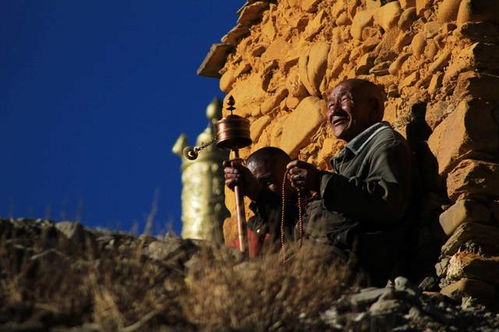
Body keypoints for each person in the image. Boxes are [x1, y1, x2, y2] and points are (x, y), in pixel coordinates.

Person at [287, 78, 413, 286]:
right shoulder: (352, 155)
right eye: (330, 105)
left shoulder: (386, 144)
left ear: (373, 108)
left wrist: (320, 181)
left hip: (362, 264)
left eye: (344, 100)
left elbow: (387, 203)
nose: (334, 111)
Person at [223, 147, 299, 257]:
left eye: (268, 182)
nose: (259, 188)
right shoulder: (254, 224)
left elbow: (286, 220)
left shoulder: (312, 210)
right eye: (256, 184)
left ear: (291, 177)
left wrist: (259, 193)